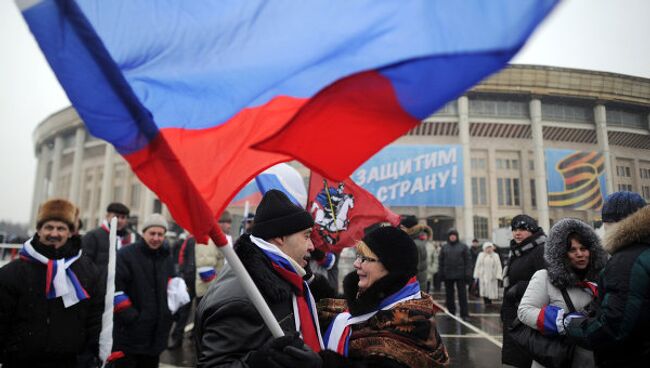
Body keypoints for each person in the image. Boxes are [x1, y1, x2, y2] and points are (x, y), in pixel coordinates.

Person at [195, 189, 322, 368]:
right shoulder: (242, 298)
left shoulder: (282, 276)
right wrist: (263, 362)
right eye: (307, 236)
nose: (312, 246)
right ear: (279, 237)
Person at [319, 226, 449, 367]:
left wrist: (321, 362)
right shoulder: (372, 299)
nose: (356, 264)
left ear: (390, 266)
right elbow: (340, 308)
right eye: (358, 256)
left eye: (365, 258)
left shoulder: (415, 323)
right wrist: (313, 283)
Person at [0, 199, 102, 367]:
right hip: (22, 361)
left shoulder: (87, 270)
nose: (54, 233)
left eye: (61, 228)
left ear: (70, 232)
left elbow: (95, 317)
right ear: (39, 230)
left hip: (71, 362)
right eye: (48, 227)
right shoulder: (13, 272)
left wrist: (90, 355)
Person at [565, 192, 650, 367]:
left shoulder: (625, 261)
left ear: (612, 224)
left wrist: (570, 324)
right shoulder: (641, 253)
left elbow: (612, 329)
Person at [518, 218, 607, 367]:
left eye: (584, 248)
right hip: (555, 358)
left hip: (587, 360)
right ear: (561, 254)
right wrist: (562, 321)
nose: (580, 254)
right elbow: (525, 311)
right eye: (572, 250)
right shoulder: (544, 277)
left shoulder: (600, 280)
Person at [111, 214, 176, 367]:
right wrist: (132, 317)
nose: (156, 238)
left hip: (157, 333)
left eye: (160, 234)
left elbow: (172, 284)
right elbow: (116, 290)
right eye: (152, 233)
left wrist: (171, 311)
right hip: (131, 334)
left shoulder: (166, 257)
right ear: (143, 233)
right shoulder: (126, 255)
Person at [168, 211, 229, 349]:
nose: (228, 225)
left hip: (193, 279)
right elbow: (186, 259)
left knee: (191, 312)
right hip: (197, 281)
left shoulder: (195, 238)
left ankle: (182, 338)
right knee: (192, 312)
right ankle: (186, 339)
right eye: (226, 222)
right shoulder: (200, 238)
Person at [501, 214, 547, 368]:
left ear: (532, 230)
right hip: (515, 312)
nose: (517, 233)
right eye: (514, 229)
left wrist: (520, 288)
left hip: (530, 315)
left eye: (522, 229)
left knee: (528, 358)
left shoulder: (540, 250)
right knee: (518, 359)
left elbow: (546, 282)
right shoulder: (516, 251)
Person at [82, 202, 135, 301]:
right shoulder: (93, 236)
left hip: (124, 292)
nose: (119, 220)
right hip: (99, 292)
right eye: (116, 216)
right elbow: (85, 264)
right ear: (107, 216)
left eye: (123, 217)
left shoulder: (132, 238)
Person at [439, 228, 472, 319]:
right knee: (449, 296)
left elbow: (468, 261)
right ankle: (451, 313)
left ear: (456, 236)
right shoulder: (444, 247)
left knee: (462, 295)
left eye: (454, 235)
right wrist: (441, 274)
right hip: (448, 275)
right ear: (449, 237)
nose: (452, 237)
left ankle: (464, 314)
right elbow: (441, 261)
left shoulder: (463, 246)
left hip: (460, 275)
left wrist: (468, 273)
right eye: (451, 235)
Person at [400, 214, 432, 291]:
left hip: (415, 286)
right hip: (417, 284)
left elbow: (414, 268)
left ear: (409, 229)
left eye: (403, 227)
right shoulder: (415, 241)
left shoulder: (414, 244)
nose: (400, 229)